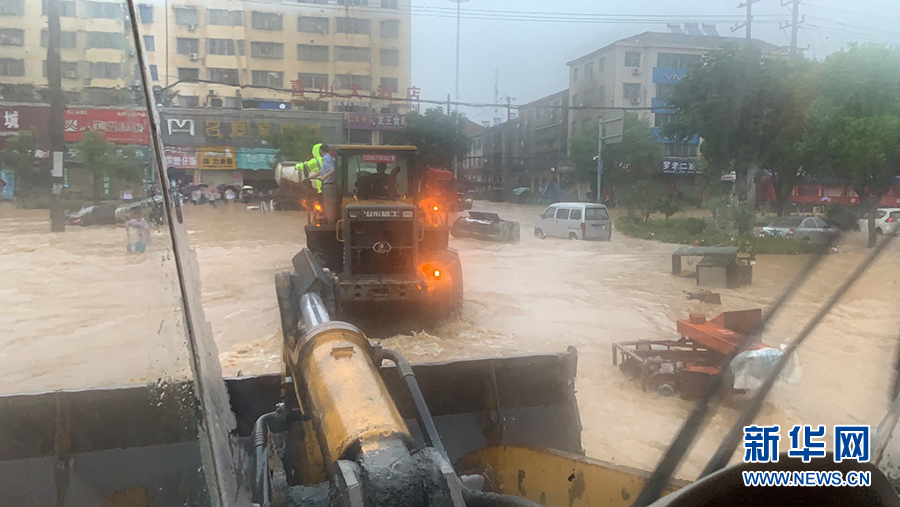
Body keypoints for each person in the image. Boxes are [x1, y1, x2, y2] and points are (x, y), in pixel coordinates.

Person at [309, 144, 337, 223]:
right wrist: (312, 176)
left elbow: (332, 170)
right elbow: (322, 170)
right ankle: (329, 220)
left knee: (329, 204)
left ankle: (331, 222)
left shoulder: (327, 158)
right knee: (327, 203)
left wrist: (323, 177)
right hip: (327, 184)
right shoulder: (326, 158)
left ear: (321, 151)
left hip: (329, 184)